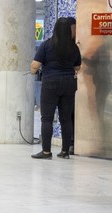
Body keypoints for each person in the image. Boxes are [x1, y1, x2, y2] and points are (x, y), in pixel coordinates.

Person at [30, 17, 81, 160]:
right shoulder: (74, 47)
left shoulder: (47, 45)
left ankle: (46, 152)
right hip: (69, 84)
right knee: (66, 119)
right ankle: (65, 151)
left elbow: (35, 66)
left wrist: (34, 70)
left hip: (50, 83)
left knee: (47, 118)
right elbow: (77, 67)